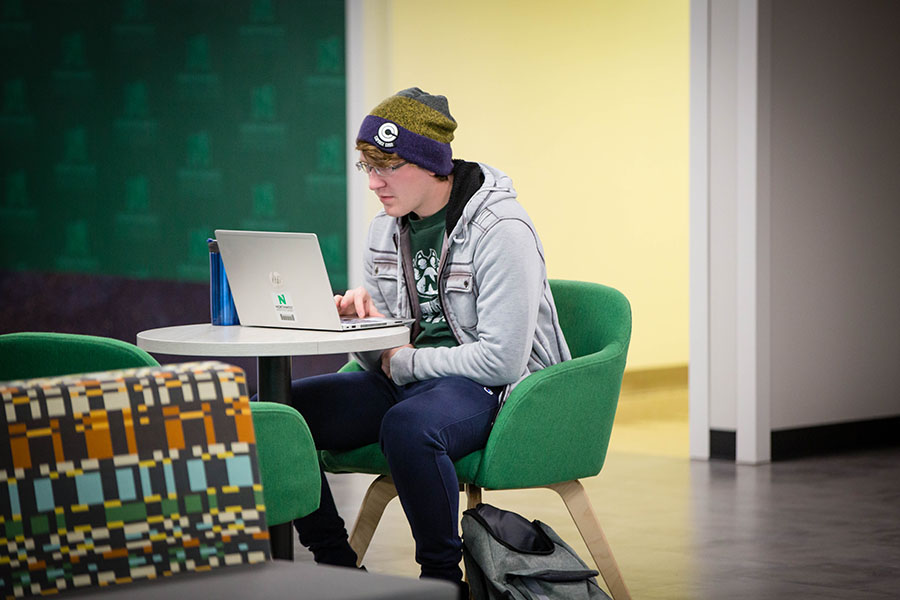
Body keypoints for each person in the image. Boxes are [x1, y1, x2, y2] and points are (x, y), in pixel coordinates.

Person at [289, 87, 571, 596]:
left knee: (409, 425)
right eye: (366, 167)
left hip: (488, 389)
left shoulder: (501, 229)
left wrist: (402, 362)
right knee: (276, 414)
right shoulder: (385, 228)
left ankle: (442, 582)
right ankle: (335, 566)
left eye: (387, 168)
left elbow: (503, 360)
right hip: (409, 377)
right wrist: (365, 327)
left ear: (431, 164)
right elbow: (383, 358)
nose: (374, 183)